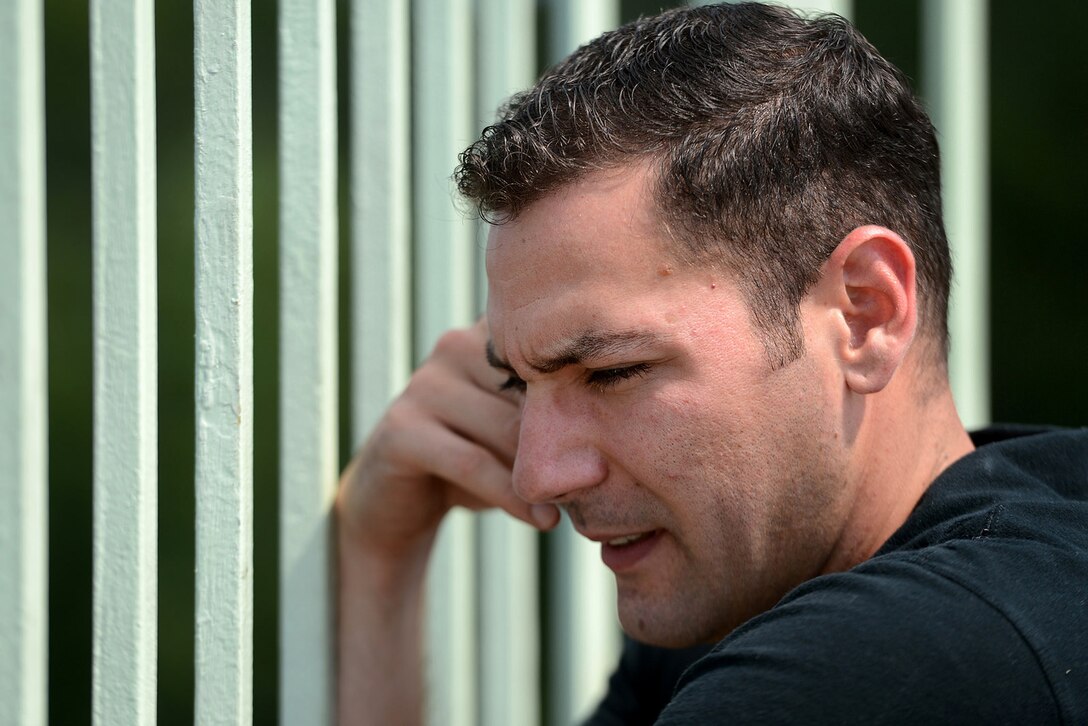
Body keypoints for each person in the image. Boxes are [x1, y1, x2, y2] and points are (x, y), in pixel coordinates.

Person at [336, 3, 1088, 723]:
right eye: (518, 382)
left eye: (612, 372)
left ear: (866, 312)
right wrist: (384, 551)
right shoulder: (748, 591)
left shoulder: (886, 657)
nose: (537, 475)